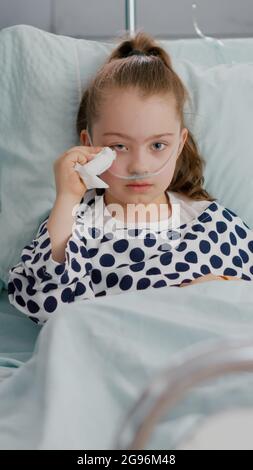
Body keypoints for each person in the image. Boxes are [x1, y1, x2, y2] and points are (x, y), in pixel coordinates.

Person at [7, 31, 253, 325]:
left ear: (179, 145)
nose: (139, 166)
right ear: (89, 145)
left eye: (158, 146)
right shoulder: (76, 226)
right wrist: (67, 198)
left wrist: (217, 290)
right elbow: (42, 304)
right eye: (119, 147)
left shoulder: (214, 224)